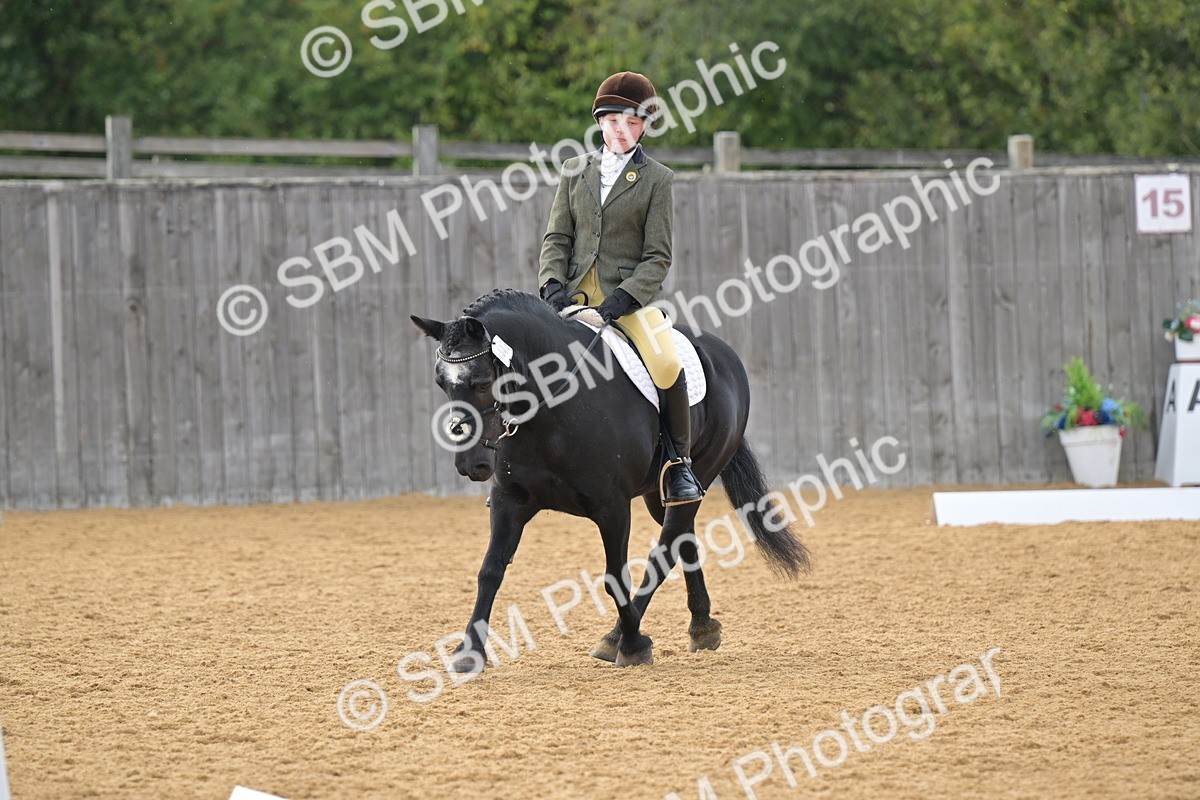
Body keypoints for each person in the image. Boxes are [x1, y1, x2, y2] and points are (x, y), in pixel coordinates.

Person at [537, 70, 703, 506]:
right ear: (599, 121)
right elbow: (558, 238)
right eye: (614, 121)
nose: (622, 131)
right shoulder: (574, 171)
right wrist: (552, 284)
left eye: (633, 123)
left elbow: (658, 257)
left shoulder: (658, 180)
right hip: (570, 297)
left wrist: (623, 299)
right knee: (520, 355)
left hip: (627, 301)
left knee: (667, 363)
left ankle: (678, 465)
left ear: (644, 125)